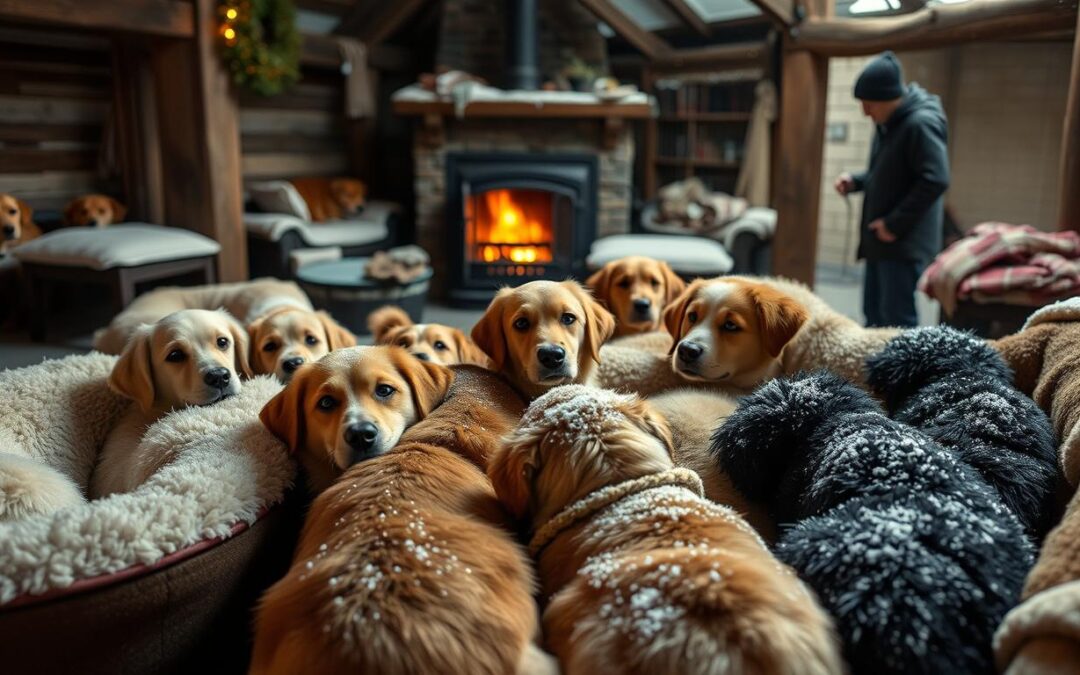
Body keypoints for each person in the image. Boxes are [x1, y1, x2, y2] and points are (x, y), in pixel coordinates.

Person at [835, 51, 950, 328]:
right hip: (881, 240)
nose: (865, 112)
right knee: (874, 315)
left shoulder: (919, 124)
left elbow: (936, 179)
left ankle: (904, 373)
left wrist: (894, 225)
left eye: (869, 104)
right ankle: (878, 372)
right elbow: (887, 175)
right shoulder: (889, 124)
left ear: (888, 98)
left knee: (897, 321)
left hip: (900, 242)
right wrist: (857, 181)